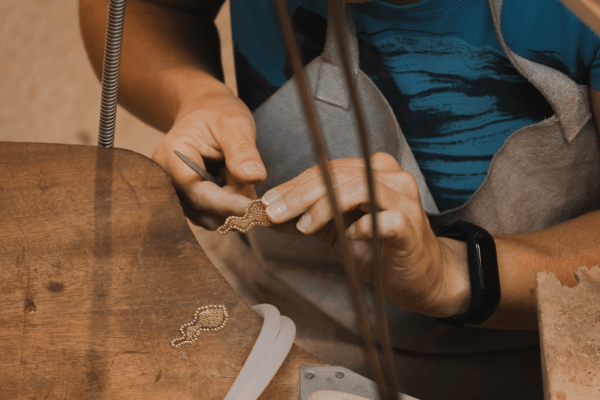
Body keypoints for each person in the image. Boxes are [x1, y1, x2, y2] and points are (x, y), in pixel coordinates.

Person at [80, 0, 600, 398]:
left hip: (540, 355)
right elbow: (141, 10)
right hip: (281, 307)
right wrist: (192, 96)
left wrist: (456, 272)